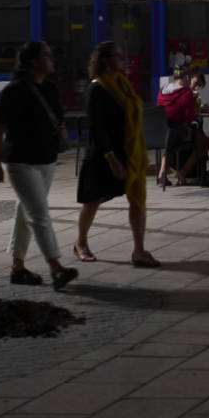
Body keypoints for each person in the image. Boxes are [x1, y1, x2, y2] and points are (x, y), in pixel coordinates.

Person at [0, 40, 79, 289]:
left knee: (25, 210)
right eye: (47, 56)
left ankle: (18, 268)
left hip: (46, 160)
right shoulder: (12, 92)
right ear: (34, 62)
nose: (52, 60)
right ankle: (56, 267)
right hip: (20, 161)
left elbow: (58, 121)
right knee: (39, 214)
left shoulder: (50, 89)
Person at [74, 42, 159, 267]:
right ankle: (80, 243)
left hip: (129, 153)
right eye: (118, 56)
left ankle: (139, 251)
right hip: (104, 154)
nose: (124, 60)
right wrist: (111, 158)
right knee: (94, 200)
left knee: (138, 202)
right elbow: (98, 128)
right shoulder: (97, 88)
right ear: (103, 60)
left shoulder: (123, 85)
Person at [155, 65, 209, 189]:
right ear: (187, 77)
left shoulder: (162, 89)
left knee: (173, 138)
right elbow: (189, 118)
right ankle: (184, 171)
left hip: (162, 132)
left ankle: (162, 173)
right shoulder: (186, 93)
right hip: (178, 131)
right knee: (203, 140)